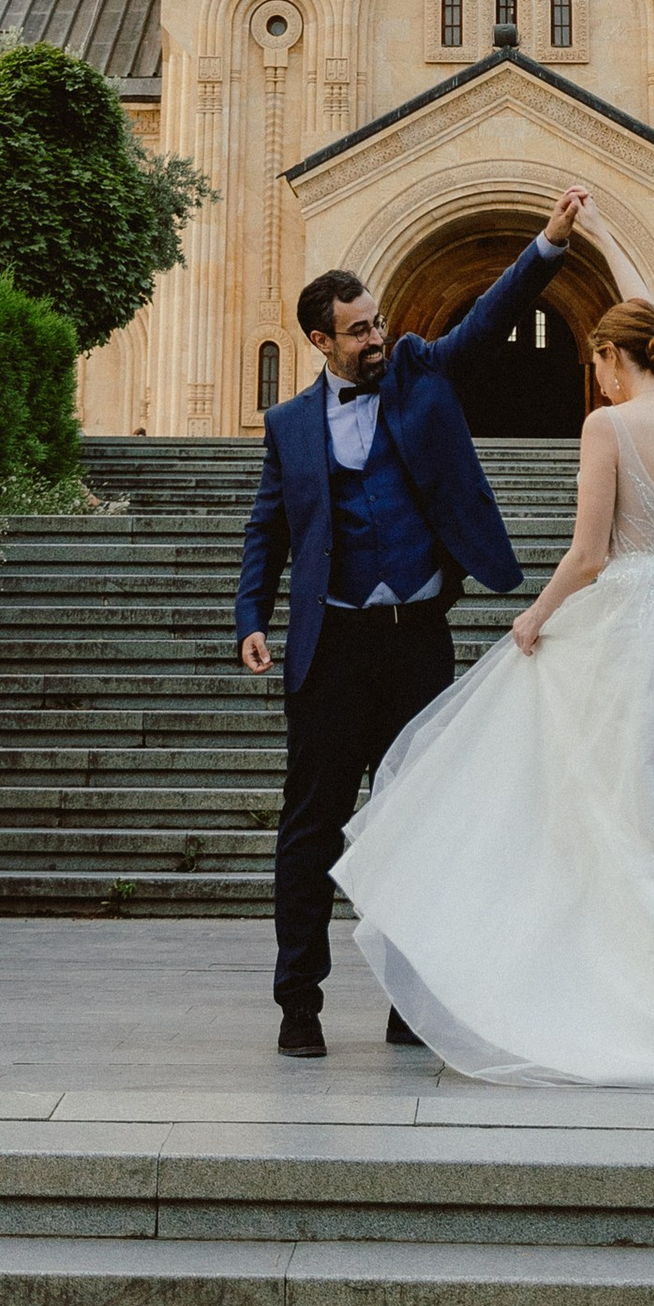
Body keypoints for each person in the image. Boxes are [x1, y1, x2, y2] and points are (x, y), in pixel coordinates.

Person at [334, 296, 654, 1087]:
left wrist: (534, 617)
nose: (596, 379)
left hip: (633, 629)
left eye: (598, 363)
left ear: (613, 356)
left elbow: (588, 556)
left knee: (629, 809)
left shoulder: (608, 427)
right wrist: (612, 245)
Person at [236, 186, 592, 1059]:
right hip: (330, 647)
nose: (375, 338)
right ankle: (298, 1004)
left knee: (421, 829)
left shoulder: (420, 370)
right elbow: (268, 527)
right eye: (357, 330)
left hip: (416, 643)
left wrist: (547, 245)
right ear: (320, 341)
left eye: (378, 323)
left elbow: (488, 320)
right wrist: (251, 614)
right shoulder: (289, 425)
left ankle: (412, 1006)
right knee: (311, 830)